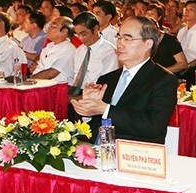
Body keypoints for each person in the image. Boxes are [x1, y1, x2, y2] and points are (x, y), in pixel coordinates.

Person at [71, 16, 178, 144]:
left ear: (148, 44)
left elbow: (153, 126)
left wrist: (105, 109)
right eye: (119, 37)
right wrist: (87, 111)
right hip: (97, 151)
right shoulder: (107, 79)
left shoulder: (163, 80)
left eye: (127, 39)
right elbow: (91, 127)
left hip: (133, 155)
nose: (120, 44)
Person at [69, 11, 118, 96]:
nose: (81, 39)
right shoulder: (79, 50)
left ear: (95, 29)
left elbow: (107, 85)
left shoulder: (109, 52)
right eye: (77, 35)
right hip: (75, 91)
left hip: (94, 95)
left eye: (84, 34)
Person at [31, 16, 76, 83]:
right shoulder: (48, 47)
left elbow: (51, 73)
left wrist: (29, 80)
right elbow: (39, 69)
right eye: (50, 25)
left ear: (64, 31)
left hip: (58, 88)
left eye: (53, 26)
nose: (49, 28)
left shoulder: (69, 50)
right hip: (40, 84)